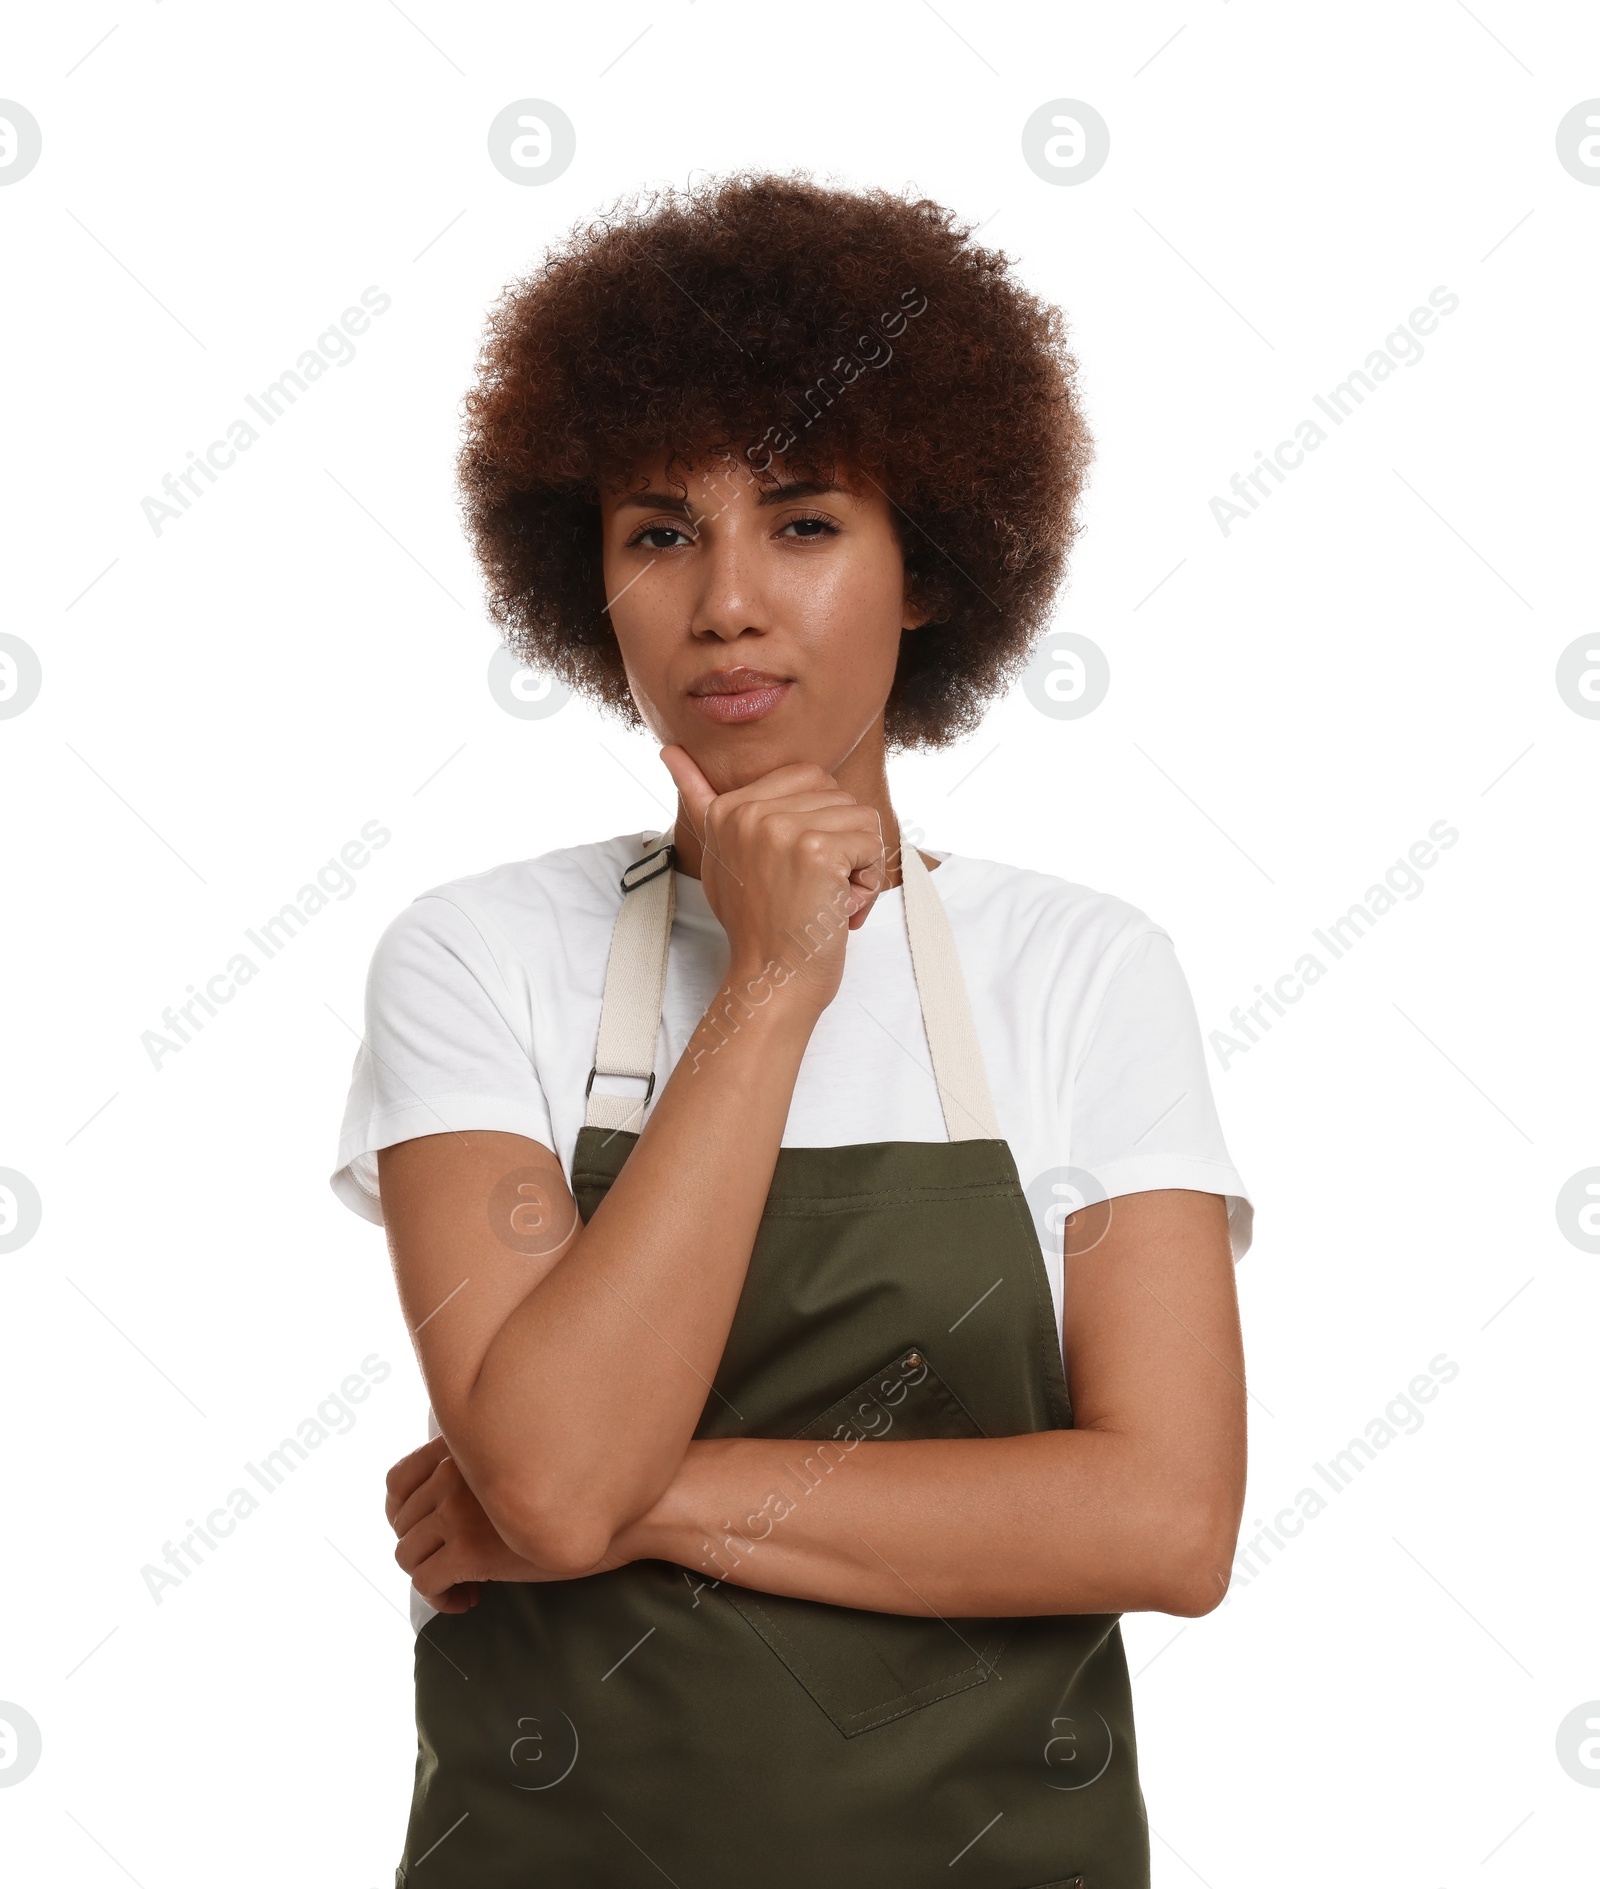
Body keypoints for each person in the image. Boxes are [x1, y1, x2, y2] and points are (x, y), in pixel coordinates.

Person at [330, 172, 1253, 1889]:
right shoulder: (476, 954)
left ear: (929, 573)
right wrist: (767, 983)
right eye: (660, 531)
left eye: (808, 523)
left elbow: (1166, 1518)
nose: (729, 600)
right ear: (587, 587)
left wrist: (645, 1496)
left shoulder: (1082, 970)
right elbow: (539, 1468)